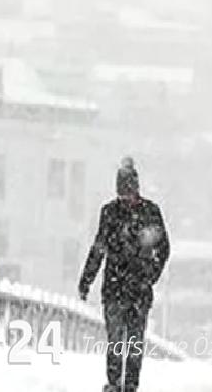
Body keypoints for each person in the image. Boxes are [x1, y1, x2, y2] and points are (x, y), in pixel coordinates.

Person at [79, 157, 171, 392]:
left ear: (136, 189)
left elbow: (163, 247)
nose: (125, 199)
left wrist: (150, 276)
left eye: (128, 193)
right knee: (116, 339)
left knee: (134, 341)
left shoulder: (150, 212)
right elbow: (99, 247)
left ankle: (130, 384)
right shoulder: (110, 212)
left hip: (137, 288)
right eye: (122, 194)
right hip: (116, 288)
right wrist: (86, 279)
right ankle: (113, 383)